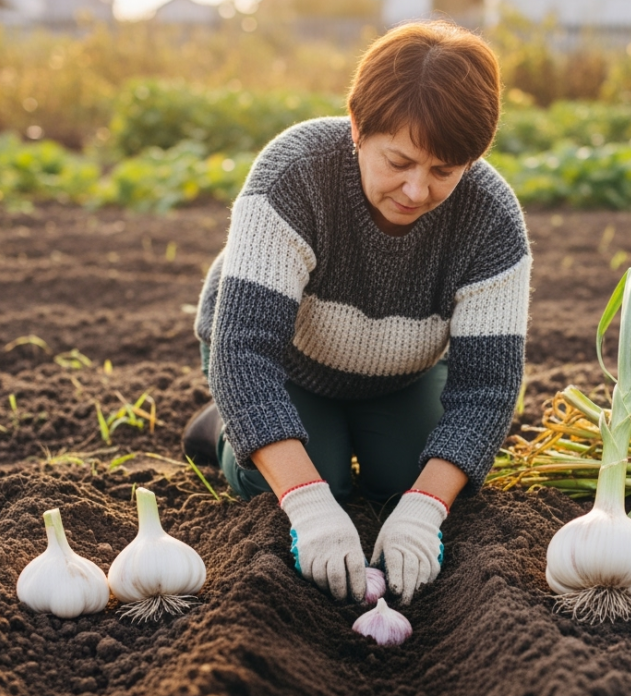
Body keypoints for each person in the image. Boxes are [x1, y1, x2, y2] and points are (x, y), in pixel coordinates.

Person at [183, 20, 530, 606]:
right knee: (308, 479)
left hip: (401, 373)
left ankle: (365, 444)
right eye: (399, 161)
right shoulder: (294, 176)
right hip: (285, 364)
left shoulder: (492, 222)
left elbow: (487, 390)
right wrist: (309, 504)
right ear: (357, 127)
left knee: (407, 478)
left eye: (443, 171)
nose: (416, 190)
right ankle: (221, 424)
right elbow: (244, 352)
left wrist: (425, 508)